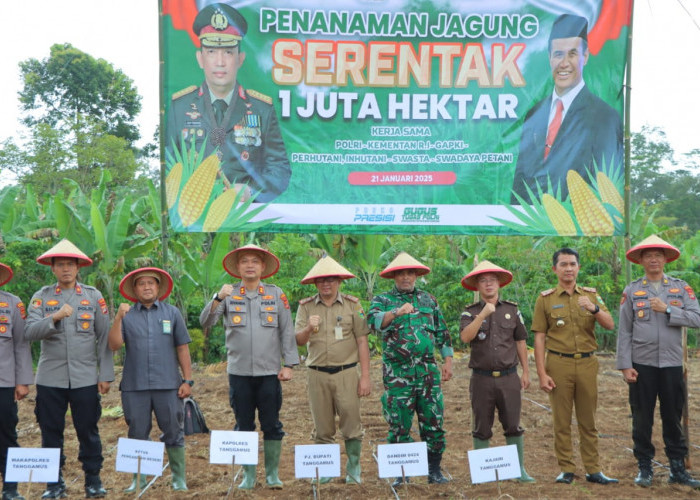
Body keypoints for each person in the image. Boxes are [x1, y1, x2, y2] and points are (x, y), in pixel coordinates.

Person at [167, 2, 291, 203]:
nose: (220, 62)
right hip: (193, 217)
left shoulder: (262, 109)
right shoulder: (179, 107)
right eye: (211, 52)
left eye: (228, 52)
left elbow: (280, 170)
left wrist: (251, 191)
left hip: (245, 219)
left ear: (240, 59)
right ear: (200, 58)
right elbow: (168, 166)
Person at [199, 243, 298, 490]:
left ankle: (272, 475)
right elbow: (206, 321)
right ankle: (249, 475)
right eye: (245, 261)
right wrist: (217, 297)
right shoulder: (228, 293)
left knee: (272, 424)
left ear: (263, 266)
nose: (250, 265)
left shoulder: (276, 294)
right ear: (238, 267)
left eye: (255, 261)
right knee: (244, 424)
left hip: (269, 372)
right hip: (239, 373)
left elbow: (286, 331)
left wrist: (290, 365)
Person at [25, 239, 114, 499]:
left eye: (70, 265)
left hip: (85, 377)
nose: (66, 269)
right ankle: (53, 483)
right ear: (52, 268)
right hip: (50, 378)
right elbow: (29, 332)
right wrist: (53, 317)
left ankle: (93, 481)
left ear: (78, 268)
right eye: (60, 265)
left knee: (88, 430)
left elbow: (104, 337)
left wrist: (105, 375)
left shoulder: (92, 296)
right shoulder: (41, 297)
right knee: (50, 431)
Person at [616, 235, 700, 488]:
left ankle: (677, 468)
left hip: (673, 364)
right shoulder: (632, 290)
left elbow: (697, 318)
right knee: (642, 418)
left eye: (658, 255)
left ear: (665, 259)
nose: (653, 259)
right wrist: (625, 364)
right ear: (640, 260)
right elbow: (625, 331)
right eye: (648, 255)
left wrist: (669, 310)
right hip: (642, 365)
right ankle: (645, 467)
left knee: (673, 417)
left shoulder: (680, 288)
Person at [511, 14, 623, 203]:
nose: (564, 63)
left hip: (578, 226)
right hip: (534, 225)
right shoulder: (534, 114)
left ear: (585, 57)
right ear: (549, 59)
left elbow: (607, 182)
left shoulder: (605, 117)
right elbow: (520, 182)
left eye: (572, 54)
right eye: (558, 54)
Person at [532, 247, 617, 485]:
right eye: (563, 264)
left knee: (588, 419)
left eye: (572, 264)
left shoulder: (591, 296)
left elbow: (610, 324)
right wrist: (541, 373)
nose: (568, 268)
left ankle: (593, 469)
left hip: (588, 363)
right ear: (555, 269)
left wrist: (595, 309)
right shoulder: (545, 299)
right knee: (561, 419)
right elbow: (539, 337)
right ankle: (567, 469)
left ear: (578, 267)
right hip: (559, 363)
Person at [367, 252, 453, 486]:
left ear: (416, 275)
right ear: (394, 276)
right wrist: (396, 312)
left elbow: (442, 333)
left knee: (434, 423)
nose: (406, 277)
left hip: (427, 375)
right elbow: (373, 322)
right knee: (399, 425)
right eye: (401, 273)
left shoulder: (429, 300)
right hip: (398, 377)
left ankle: (434, 471)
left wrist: (447, 361)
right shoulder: (382, 300)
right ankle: (401, 474)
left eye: (410, 273)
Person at [109, 267, 193, 492]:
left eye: (151, 283)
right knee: (137, 432)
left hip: (168, 384)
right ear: (134, 289)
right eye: (141, 283)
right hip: (134, 385)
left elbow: (182, 348)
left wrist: (188, 380)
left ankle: (178, 478)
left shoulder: (172, 313)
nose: (146, 287)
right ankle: (139, 478)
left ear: (158, 287)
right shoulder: (127, 316)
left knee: (174, 430)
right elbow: (114, 345)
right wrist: (117, 318)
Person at [294, 255, 371, 484]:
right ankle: (326, 469)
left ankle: (354, 468)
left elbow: (362, 341)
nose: (326, 284)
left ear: (339, 281)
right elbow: (298, 340)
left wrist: (365, 376)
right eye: (321, 280)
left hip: (346, 372)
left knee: (351, 421)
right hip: (317, 373)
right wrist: (309, 327)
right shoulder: (306, 307)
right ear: (315, 283)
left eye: (331, 279)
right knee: (322, 425)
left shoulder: (353, 305)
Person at [459, 260, 534, 483]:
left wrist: (526, 372)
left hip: (509, 377)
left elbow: (520, 342)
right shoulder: (469, 312)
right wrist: (482, 315)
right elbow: (465, 338)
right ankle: (482, 474)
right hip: (481, 379)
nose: (488, 284)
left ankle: (519, 470)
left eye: (492, 280)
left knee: (513, 423)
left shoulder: (512, 310)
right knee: (482, 424)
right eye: (483, 280)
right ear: (477, 286)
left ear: (499, 283)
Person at [0, 263, 33, 500]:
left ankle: (10, 487)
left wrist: (22, 381)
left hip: (4, 382)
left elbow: (21, 344)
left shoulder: (13, 303)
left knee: (6, 434)